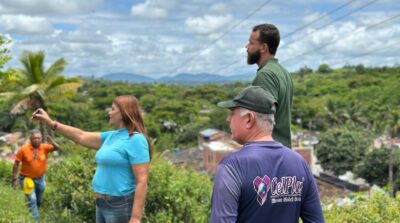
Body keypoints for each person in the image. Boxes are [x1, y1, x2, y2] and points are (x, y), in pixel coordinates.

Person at [210, 86, 324, 223]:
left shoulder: (232, 167)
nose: (228, 119)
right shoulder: (299, 163)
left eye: (232, 113)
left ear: (249, 119)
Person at [32, 95, 151, 223]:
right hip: (101, 203)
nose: (109, 112)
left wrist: (136, 217)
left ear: (123, 113)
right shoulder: (111, 136)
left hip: (120, 205)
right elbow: (80, 136)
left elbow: (142, 181)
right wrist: (50, 123)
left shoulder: (136, 139)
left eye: (113, 109)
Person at [246, 23, 294, 148]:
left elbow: (262, 125)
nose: (246, 47)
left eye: (251, 43)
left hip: (269, 154)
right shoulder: (283, 72)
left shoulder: (265, 75)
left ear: (263, 47)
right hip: (281, 152)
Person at [12, 131, 60, 221]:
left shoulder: (44, 147)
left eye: (39, 138)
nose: (37, 140)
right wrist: (14, 179)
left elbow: (57, 148)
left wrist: (52, 141)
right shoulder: (23, 150)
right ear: (31, 139)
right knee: (32, 199)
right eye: (35, 138)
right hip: (26, 178)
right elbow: (16, 164)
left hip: (40, 178)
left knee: (38, 199)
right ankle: (37, 220)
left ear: (41, 139)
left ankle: (33, 208)